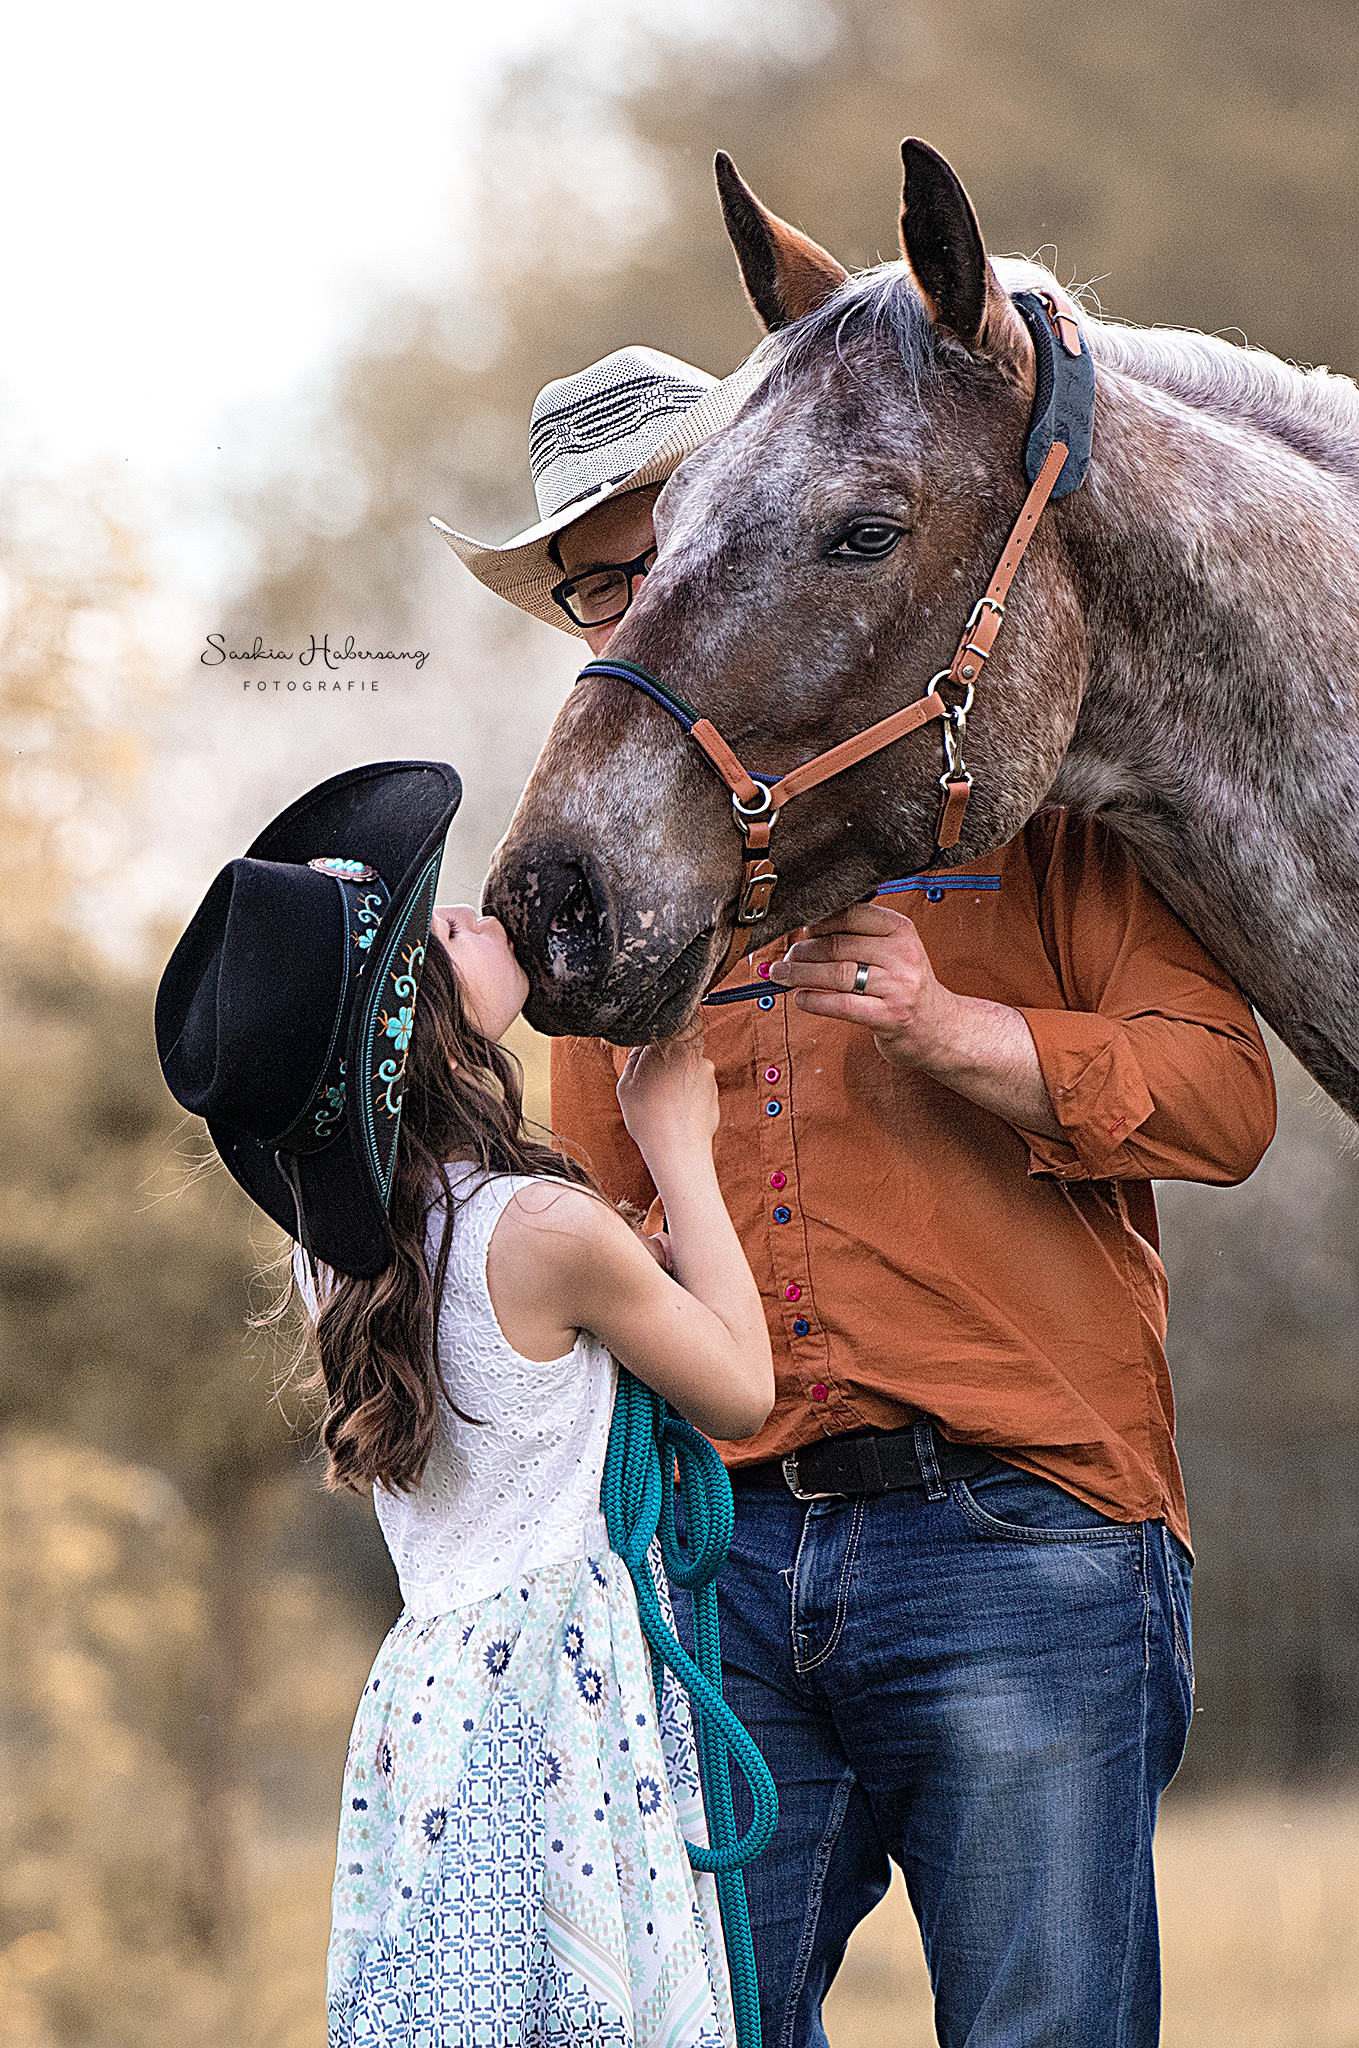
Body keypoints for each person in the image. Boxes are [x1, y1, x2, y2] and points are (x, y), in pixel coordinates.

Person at [441, 347, 1279, 2048]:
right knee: (698, 2021)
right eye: (596, 586)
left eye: (660, 556)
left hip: (1020, 1531)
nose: (631, 611)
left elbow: (1227, 1099)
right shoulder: (619, 879)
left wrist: (965, 1034)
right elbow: (598, 1227)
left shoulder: (1021, 796)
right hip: (723, 1558)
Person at [154, 761, 773, 2047]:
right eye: (435, 930)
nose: (470, 909)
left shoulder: (334, 1258)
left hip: (433, 1711)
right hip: (560, 1695)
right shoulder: (545, 1231)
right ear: (423, 1027)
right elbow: (742, 1389)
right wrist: (677, 1142)